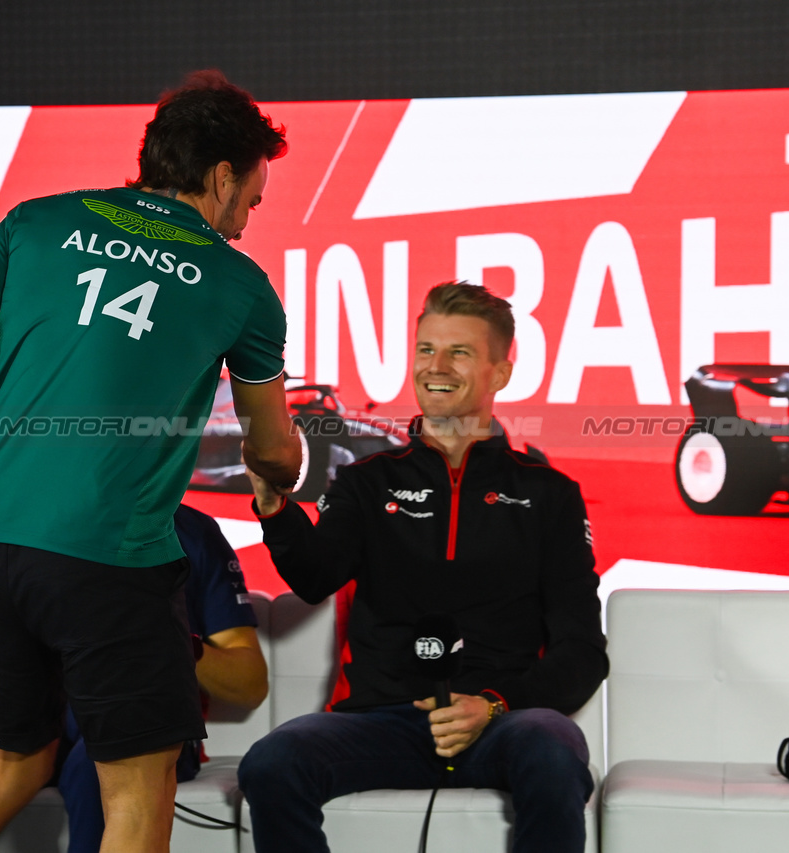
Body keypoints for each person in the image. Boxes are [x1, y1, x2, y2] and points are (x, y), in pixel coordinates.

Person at [0, 69, 301, 853]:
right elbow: (271, 444)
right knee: (139, 788)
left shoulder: (33, 222)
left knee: (4, 767)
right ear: (223, 176)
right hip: (111, 558)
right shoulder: (241, 284)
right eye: (252, 200)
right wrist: (280, 472)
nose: (247, 221)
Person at [238, 282, 609, 853]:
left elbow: (582, 654)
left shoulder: (550, 494)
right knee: (272, 761)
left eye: (459, 352)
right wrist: (274, 505)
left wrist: (492, 705)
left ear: (500, 374)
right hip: (381, 719)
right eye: (424, 350)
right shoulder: (366, 481)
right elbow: (313, 578)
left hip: (502, 721)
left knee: (553, 745)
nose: (435, 367)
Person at [0, 503, 267, 852]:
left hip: (140, 708)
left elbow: (250, 684)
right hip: (42, 710)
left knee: (98, 765)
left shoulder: (189, 529)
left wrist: (169, 641)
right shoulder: (14, 528)